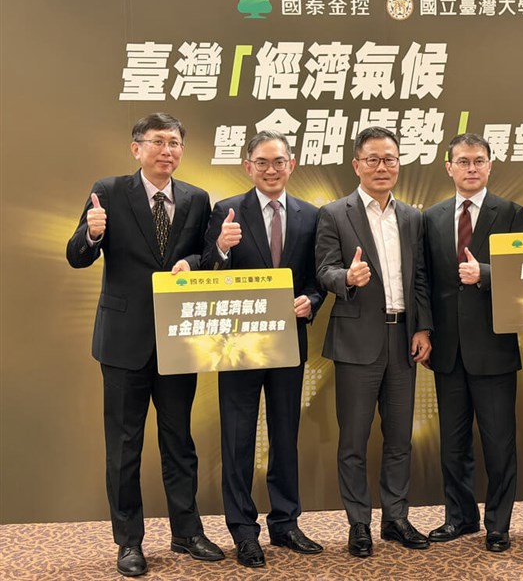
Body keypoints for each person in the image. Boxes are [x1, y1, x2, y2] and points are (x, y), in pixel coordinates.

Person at [66, 113, 223, 577]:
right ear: (137, 149)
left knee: (179, 443)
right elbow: (77, 255)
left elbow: (208, 256)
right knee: (124, 447)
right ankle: (129, 542)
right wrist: (93, 232)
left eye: (174, 143)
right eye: (157, 142)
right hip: (123, 342)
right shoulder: (109, 192)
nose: (167, 151)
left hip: (178, 340)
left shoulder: (196, 198)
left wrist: (193, 263)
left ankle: (187, 532)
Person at [201, 131, 325, 567]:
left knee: (285, 434)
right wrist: (221, 248)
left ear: (291, 165)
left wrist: (311, 300)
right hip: (237, 343)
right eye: (261, 162)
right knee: (237, 438)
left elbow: (317, 277)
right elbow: (208, 273)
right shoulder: (226, 211)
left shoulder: (312, 215)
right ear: (247, 165)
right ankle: (242, 531)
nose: (270, 170)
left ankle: (286, 523)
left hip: (289, 340)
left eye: (278, 162)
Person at [315, 126, 433, 558]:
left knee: (400, 438)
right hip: (356, 340)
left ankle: (396, 518)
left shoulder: (412, 217)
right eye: (373, 159)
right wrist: (346, 277)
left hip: (403, 337)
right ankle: (359, 523)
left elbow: (419, 277)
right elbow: (324, 270)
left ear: (399, 164)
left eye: (390, 159)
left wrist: (422, 328)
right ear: (357, 165)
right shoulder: (334, 213)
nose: (382, 167)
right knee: (354, 440)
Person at [423, 133, 523, 553]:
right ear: (449, 168)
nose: (471, 168)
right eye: (463, 161)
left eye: (479, 161)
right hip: (447, 351)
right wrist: (425, 331)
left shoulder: (511, 212)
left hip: (494, 348)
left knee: (499, 443)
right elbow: (424, 281)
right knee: (453, 443)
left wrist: (485, 273)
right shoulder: (430, 217)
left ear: (490, 166)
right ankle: (460, 517)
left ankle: (498, 524)